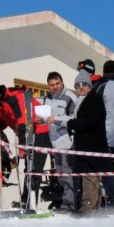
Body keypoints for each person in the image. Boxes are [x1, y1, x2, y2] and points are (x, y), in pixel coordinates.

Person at [0, 80, 51, 209]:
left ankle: (31, 204)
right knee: (28, 169)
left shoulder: (14, 97)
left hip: (40, 131)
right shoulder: (1, 102)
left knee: (34, 168)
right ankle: (26, 201)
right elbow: (8, 119)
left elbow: (23, 122)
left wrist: (22, 147)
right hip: (28, 133)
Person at [66, 70, 108, 213]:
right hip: (84, 149)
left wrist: (73, 123)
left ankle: (88, 210)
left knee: (90, 181)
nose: (81, 87)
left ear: (90, 85)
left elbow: (91, 121)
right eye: (77, 85)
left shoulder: (94, 98)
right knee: (86, 180)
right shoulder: (81, 100)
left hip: (93, 149)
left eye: (84, 84)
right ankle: (90, 209)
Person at [92, 60, 114, 206]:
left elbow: (93, 107)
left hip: (103, 132)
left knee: (103, 167)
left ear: (104, 70)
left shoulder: (101, 86)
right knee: (112, 165)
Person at [44, 72, 77, 210]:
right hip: (54, 142)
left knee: (67, 173)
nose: (55, 87)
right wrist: (41, 120)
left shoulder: (70, 97)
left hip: (68, 141)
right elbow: (47, 118)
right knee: (59, 175)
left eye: (57, 84)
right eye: (52, 85)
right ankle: (65, 200)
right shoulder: (47, 98)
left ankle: (69, 204)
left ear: (62, 82)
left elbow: (74, 120)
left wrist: (56, 120)